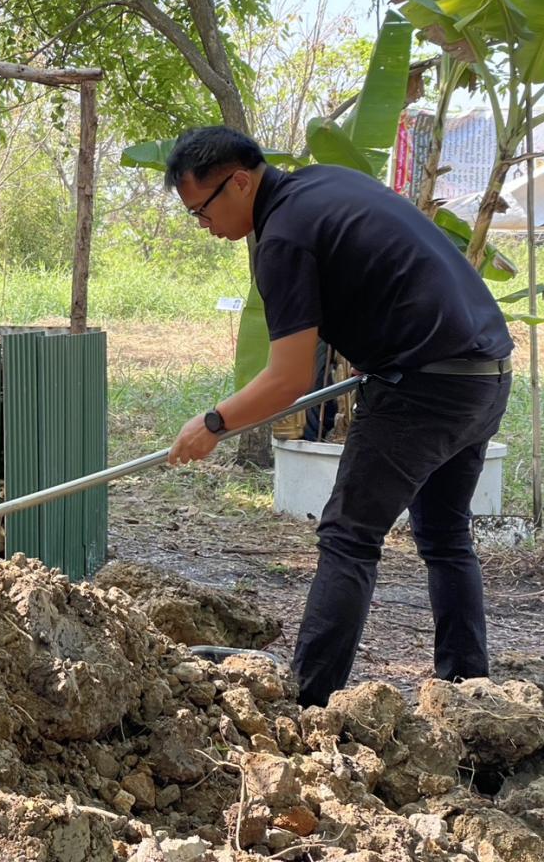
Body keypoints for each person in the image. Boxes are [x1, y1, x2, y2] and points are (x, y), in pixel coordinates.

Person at [163, 126, 513, 708]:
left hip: (424, 388)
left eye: (201, 210)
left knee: (349, 536)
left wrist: (214, 424)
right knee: (446, 536)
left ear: (241, 181)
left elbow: (288, 379)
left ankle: (309, 704)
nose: (204, 226)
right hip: (485, 372)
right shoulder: (326, 182)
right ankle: (468, 693)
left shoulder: (283, 240)